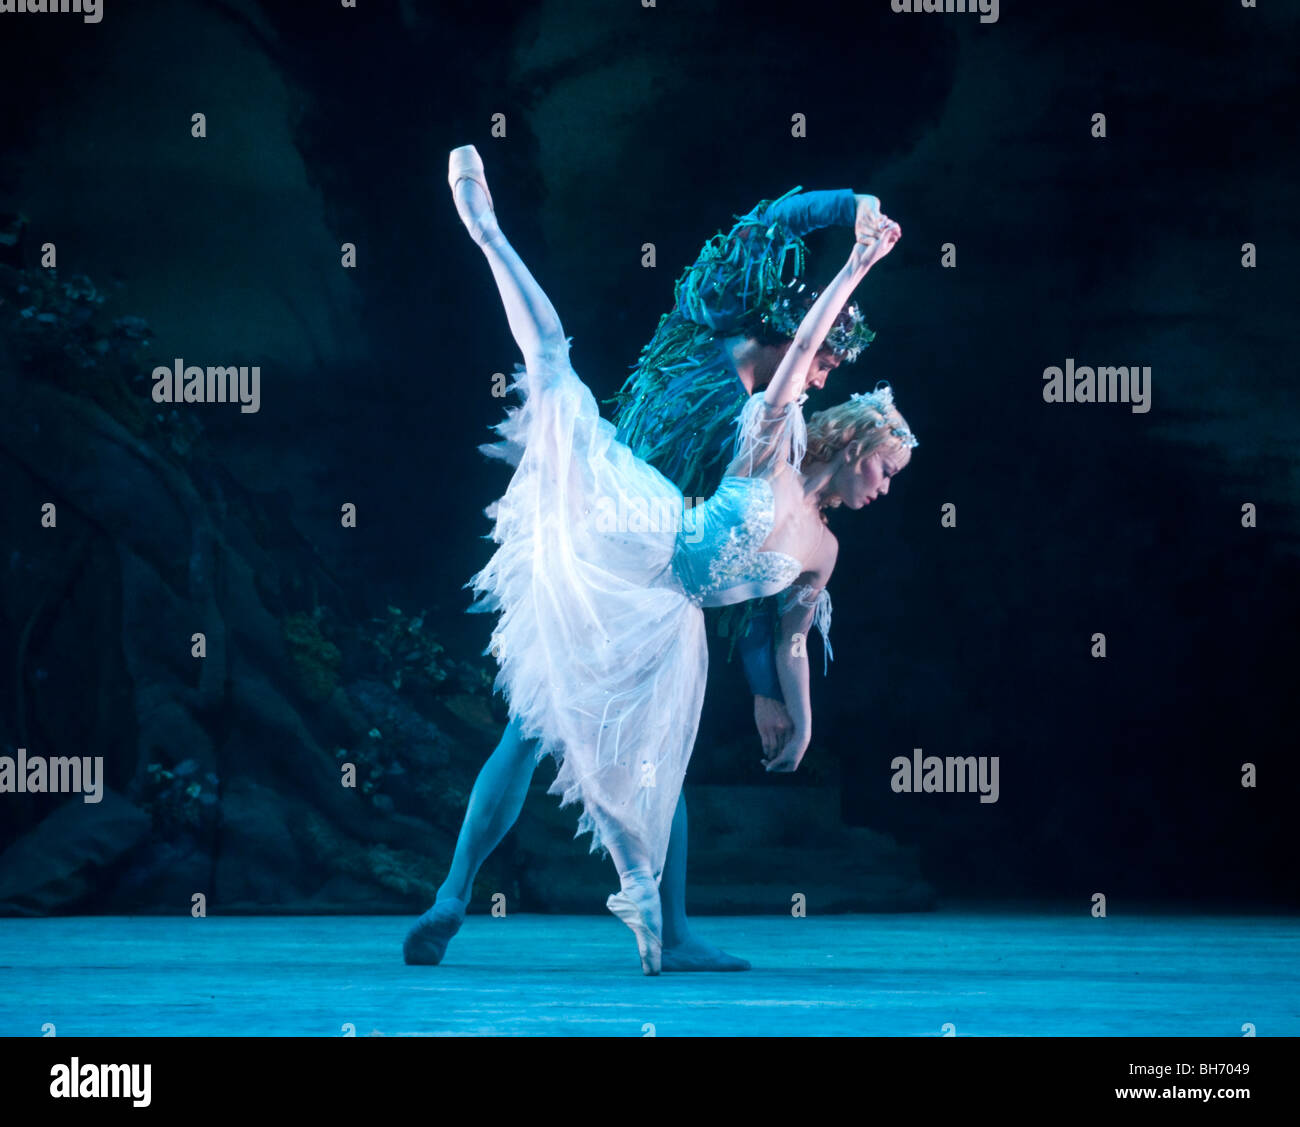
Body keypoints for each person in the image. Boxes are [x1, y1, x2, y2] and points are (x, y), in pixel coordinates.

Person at [421, 144, 915, 975]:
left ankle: (663, 925)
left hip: (664, 598)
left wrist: (777, 696)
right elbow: (770, 225)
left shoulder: (797, 485)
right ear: (792, 337)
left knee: (652, 754)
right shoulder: (724, 352)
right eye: (827, 354)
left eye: (833, 364)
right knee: (533, 724)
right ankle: (487, 231)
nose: (829, 367)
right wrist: (852, 210)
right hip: (623, 518)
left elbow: (779, 601)